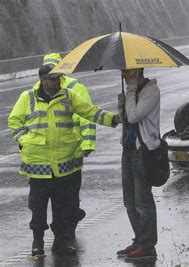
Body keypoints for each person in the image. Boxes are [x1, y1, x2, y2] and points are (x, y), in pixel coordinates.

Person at [8, 69, 121, 257]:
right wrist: (24, 140)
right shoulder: (27, 98)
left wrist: (113, 118)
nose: (58, 82)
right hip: (38, 165)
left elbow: (90, 112)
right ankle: (38, 242)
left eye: (59, 78)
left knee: (62, 207)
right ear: (43, 80)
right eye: (53, 80)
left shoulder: (68, 96)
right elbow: (14, 121)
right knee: (38, 207)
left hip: (65, 163)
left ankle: (61, 241)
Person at [38, 53, 96, 240]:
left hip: (72, 150)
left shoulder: (74, 88)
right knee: (63, 195)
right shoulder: (38, 89)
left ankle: (67, 227)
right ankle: (64, 229)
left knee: (68, 194)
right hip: (52, 155)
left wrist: (87, 143)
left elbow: (86, 116)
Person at [116, 68, 160, 261]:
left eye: (128, 72)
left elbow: (135, 116)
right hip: (128, 149)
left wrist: (131, 91)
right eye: (124, 72)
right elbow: (126, 119)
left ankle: (147, 246)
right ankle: (139, 240)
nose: (125, 76)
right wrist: (121, 106)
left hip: (143, 150)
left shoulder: (151, 90)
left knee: (143, 202)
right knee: (130, 201)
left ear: (138, 71)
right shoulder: (133, 91)